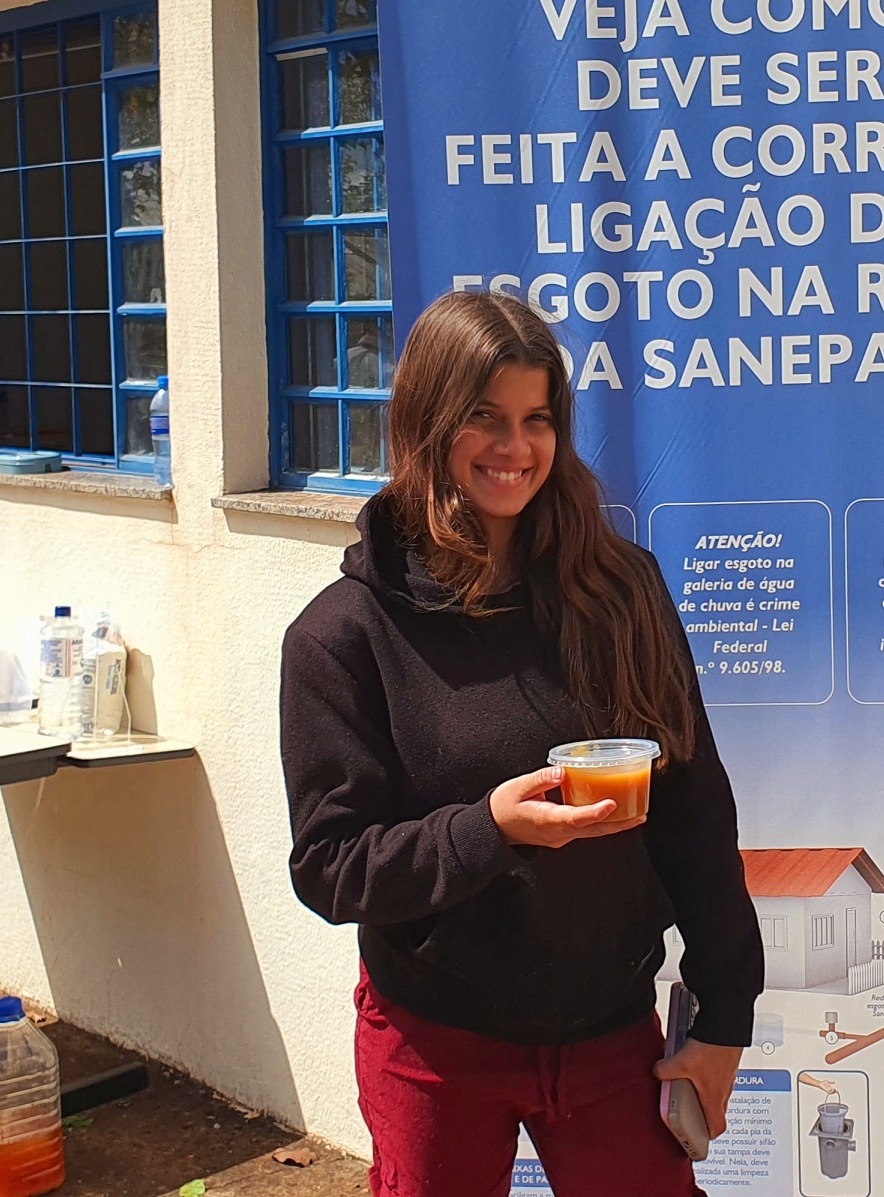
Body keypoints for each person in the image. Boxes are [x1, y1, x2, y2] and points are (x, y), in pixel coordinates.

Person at [280, 290, 763, 1197]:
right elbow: (331, 867)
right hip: (434, 1039)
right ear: (427, 424)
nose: (515, 448)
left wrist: (724, 1012)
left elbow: (695, 807)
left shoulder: (620, 589)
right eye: (484, 419)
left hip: (609, 1028)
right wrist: (489, 832)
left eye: (537, 419)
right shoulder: (341, 637)